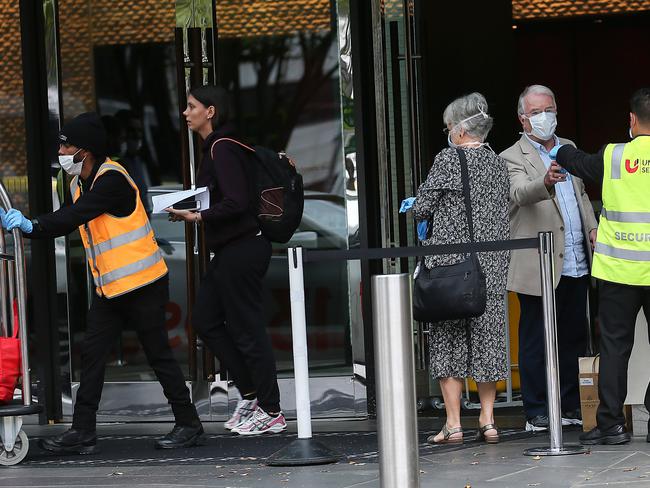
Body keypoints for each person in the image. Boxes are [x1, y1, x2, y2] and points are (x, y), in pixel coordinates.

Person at [0, 112, 203, 453]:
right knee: (92, 357)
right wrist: (33, 223)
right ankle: (83, 431)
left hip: (143, 285)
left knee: (158, 355)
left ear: (87, 150)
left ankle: (189, 424)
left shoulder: (113, 180)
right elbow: (68, 215)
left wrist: (32, 225)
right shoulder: (80, 181)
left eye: (67, 145)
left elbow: (72, 217)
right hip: (110, 289)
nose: (62, 151)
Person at [166, 85, 286, 435]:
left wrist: (197, 218)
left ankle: (272, 410)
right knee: (204, 319)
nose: (185, 113)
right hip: (231, 250)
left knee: (248, 330)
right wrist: (192, 208)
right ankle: (250, 393)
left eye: (191, 107)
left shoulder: (222, 148)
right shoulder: (216, 149)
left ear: (211, 111)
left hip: (243, 248)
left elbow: (237, 202)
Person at [551, 87, 650, 445]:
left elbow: (576, 161)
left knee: (614, 350)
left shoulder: (614, 156)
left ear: (631, 120)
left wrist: (557, 146)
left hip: (619, 271)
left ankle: (610, 424)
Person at [500, 85, 597, 432]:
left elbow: (582, 196)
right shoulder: (511, 156)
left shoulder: (568, 148)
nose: (545, 117)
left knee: (573, 335)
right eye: (537, 112)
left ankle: (571, 405)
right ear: (523, 119)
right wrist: (544, 181)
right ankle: (537, 410)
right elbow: (517, 193)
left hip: (575, 258)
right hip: (537, 264)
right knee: (536, 337)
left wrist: (593, 227)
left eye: (550, 109)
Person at [414, 92, 510, 444]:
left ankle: (453, 423)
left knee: (449, 341)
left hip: (451, 267)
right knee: (488, 340)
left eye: (447, 126)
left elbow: (423, 205)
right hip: (491, 266)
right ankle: (488, 420)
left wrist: (418, 207)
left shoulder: (448, 159)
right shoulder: (498, 163)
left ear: (458, 130)